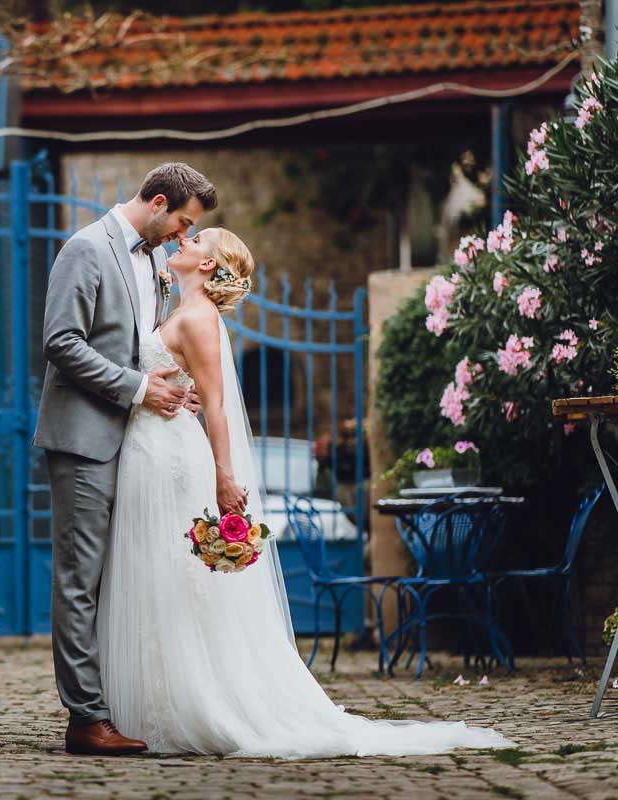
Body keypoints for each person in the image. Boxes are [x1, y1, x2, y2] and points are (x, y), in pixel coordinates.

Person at [95, 226, 513, 757]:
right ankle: (157, 700)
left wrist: (224, 476)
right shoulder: (180, 309)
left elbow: (216, 405)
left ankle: (188, 704)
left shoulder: (198, 319)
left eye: (196, 240)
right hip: (149, 449)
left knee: (180, 579)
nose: (185, 240)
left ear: (208, 265)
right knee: (158, 574)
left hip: (170, 457)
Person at [33, 163, 217, 755]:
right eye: (182, 222)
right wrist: (138, 389)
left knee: (126, 577)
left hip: (139, 442)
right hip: (84, 440)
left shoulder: (155, 263)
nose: (183, 236)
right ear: (158, 202)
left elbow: (138, 345)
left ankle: (125, 702)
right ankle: (87, 719)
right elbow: (61, 342)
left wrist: (169, 387)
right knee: (80, 580)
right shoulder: (85, 249)